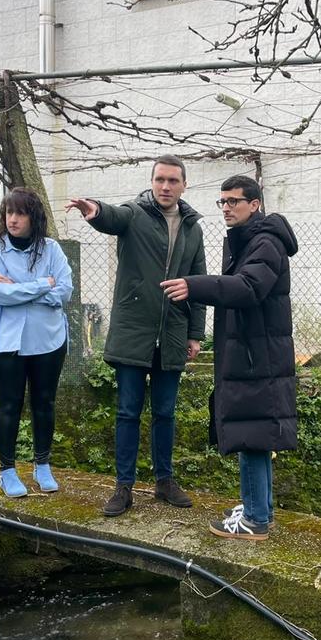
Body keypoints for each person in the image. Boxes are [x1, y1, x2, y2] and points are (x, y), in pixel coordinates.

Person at [65, 155, 207, 517]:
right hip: (133, 332)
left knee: (165, 412)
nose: (165, 186)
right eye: (160, 179)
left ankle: (164, 481)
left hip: (173, 333)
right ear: (152, 181)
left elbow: (199, 284)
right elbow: (112, 216)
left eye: (173, 180)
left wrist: (195, 334)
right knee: (128, 412)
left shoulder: (193, 228)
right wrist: (93, 210)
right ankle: (123, 487)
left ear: (183, 185)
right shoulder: (135, 212)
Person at [160, 175, 297, 541]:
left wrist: (195, 285)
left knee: (250, 436)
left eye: (233, 201)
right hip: (252, 353)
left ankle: (253, 519)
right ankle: (259, 509)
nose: (226, 208)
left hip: (256, 357)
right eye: (222, 202)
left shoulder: (265, 243)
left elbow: (249, 288)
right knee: (256, 435)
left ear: (254, 204)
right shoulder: (250, 240)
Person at [0, 187, 73, 498]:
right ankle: (7, 471)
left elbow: (65, 291)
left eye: (20, 213)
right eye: (9, 212)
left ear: (34, 217)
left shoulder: (52, 251)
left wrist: (21, 289)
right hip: (4, 343)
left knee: (44, 403)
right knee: (9, 405)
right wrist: (42, 286)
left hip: (48, 340)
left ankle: (42, 464)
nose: (13, 219)